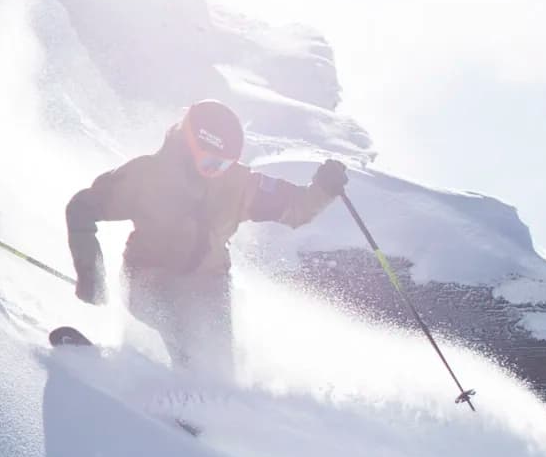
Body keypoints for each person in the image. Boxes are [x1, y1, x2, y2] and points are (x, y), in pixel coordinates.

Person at [66, 100, 346, 375]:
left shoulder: (239, 184)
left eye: (225, 165)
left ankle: (208, 394)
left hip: (209, 285)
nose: (217, 172)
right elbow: (81, 209)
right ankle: (136, 372)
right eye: (210, 163)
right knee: (175, 336)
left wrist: (323, 189)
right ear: (187, 145)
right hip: (149, 278)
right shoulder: (145, 176)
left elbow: (296, 208)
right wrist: (90, 273)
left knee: (214, 361)